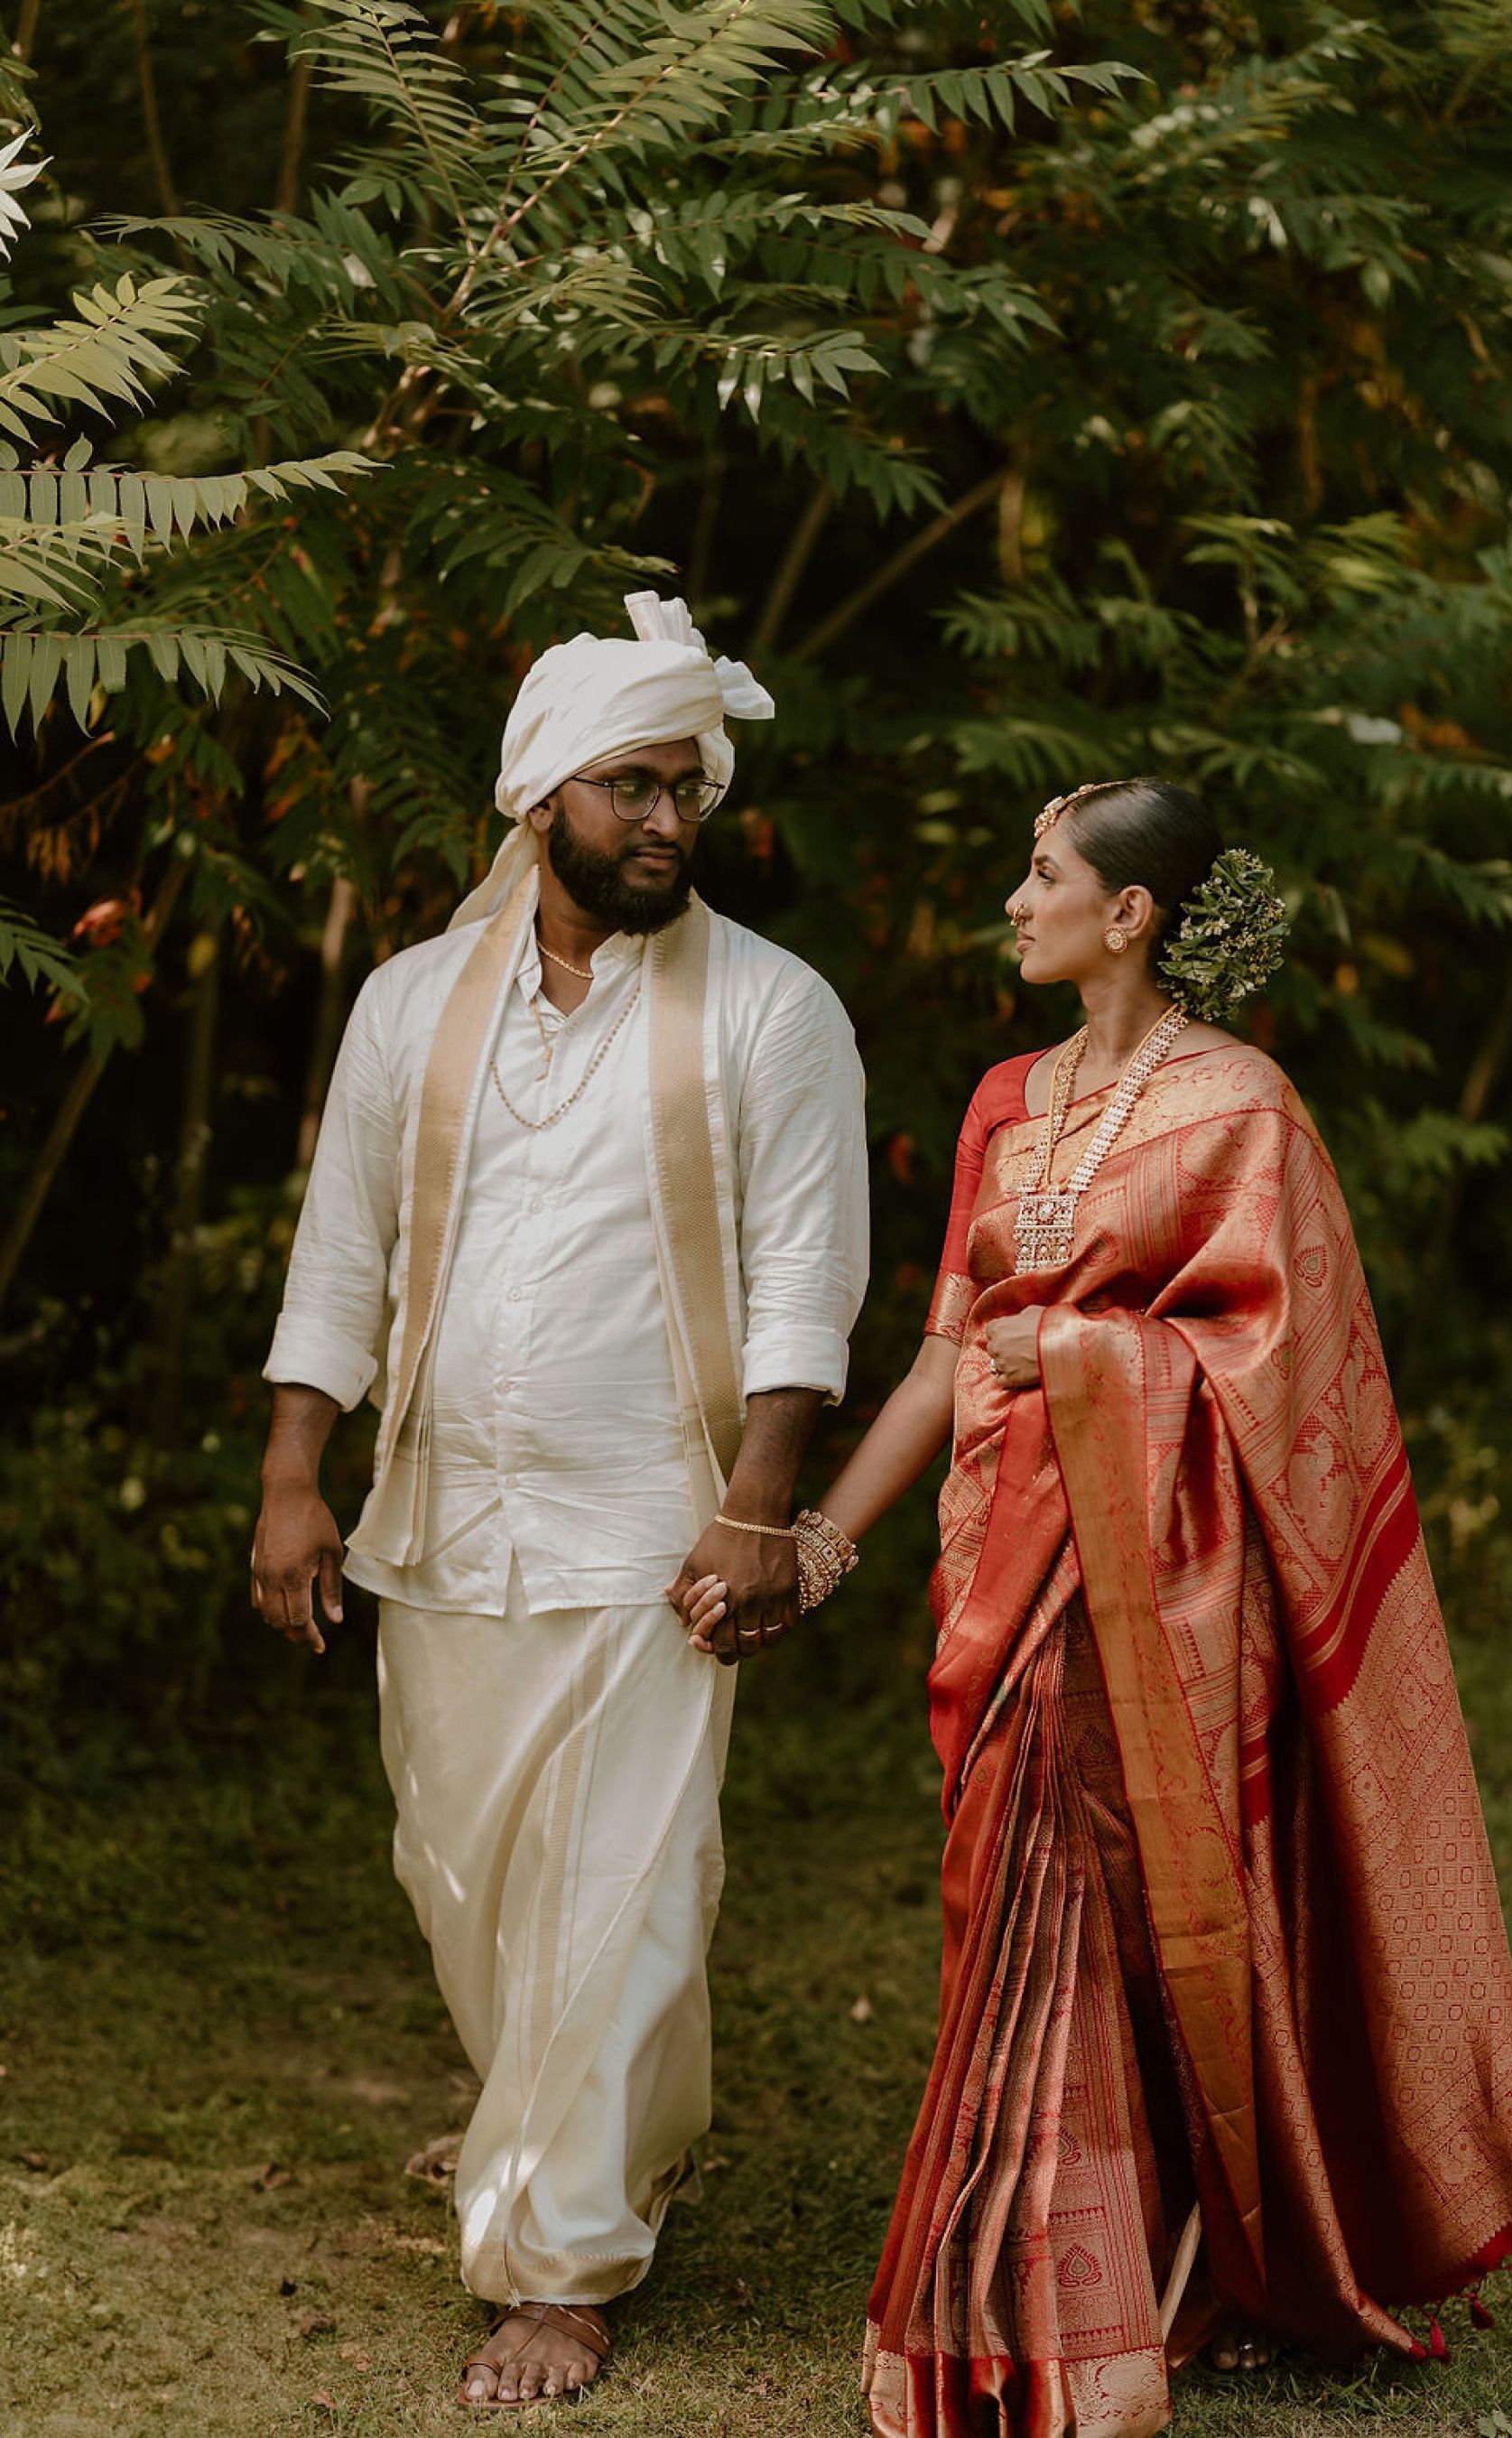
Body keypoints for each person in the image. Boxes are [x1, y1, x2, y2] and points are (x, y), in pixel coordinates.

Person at [684, 775, 1512, 2438]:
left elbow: (1282, 1362)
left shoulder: (1243, 1108)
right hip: (997, 1559)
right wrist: (817, 1540)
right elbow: (951, 1346)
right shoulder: (1005, 1099)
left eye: (1042, 874)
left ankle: (1057, 2295)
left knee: (1104, 1913)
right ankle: (1103, 2262)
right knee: (1008, 1904)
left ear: (1130, 912)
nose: (1016, 902)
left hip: (1156, 1574)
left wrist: (1079, 1354)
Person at [251, 591, 868, 2409]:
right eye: (631, 785)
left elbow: (806, 1277)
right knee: (462, 1877)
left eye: (689, 787)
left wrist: (759, 1506)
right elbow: (340, 1253)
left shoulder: (775, 1011)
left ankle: (566, 2257)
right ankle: (562, 2114)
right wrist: (296, 1474)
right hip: (437, 1519)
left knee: (619, 1888)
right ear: (542, 801)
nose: (668, 817)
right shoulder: (405, 1006)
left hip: (650, 1533)